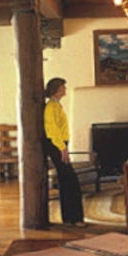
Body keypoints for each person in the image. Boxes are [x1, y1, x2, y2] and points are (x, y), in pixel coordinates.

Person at [44, 77, 86, 227]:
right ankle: (74, 218)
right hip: (56, 146)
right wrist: (62, 148)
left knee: (67, 181)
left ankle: (70, 218)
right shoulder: (51, 107)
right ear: (56, 89)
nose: (65, 90)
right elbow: (52, 130)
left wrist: (64, 146)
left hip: (60, 145)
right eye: (63, 87)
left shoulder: (56, 105)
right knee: (70, 181)